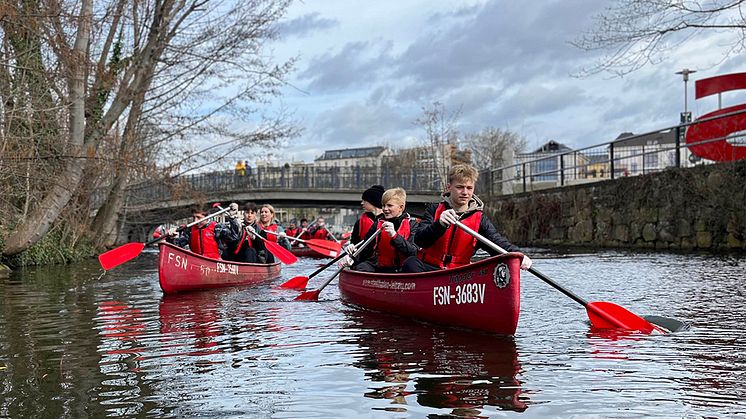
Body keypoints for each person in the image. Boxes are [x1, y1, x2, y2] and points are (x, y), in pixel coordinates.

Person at [401, 164, 532, 273]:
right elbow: (419, 240)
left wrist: (517, 254)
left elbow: (496, 242)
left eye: (469, 188)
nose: (465, 192)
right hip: (429, 268)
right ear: (449, 187)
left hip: (460, 272)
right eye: (460, 187)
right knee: (410, 263)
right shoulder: (434, 210)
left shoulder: (480, 219)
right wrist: (439, 224)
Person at [347, 187, 419, 273]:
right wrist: (353, 252)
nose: (385, 209)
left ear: (401, 207)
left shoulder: (413, 225)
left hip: (401, 269)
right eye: (383, 205)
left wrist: (394, 236)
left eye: (389, 205)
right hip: (379, 267)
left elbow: (413, 252)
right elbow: (365, 251)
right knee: (361, 267)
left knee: (412, 266)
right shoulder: (377, 224)